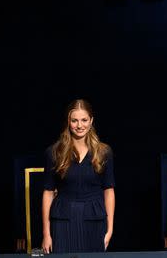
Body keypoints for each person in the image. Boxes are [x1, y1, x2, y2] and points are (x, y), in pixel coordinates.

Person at [41, 99, 115, 253]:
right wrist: (46, 234)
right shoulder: (54, 152)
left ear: (91, 121)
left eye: (84, 120)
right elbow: (48, 192)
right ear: (68, 121)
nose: (79, 125)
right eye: (74, 120)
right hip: (63, 221)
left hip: (94, 220)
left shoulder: (104, 152)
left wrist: (110, 229)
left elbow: (109, 190)